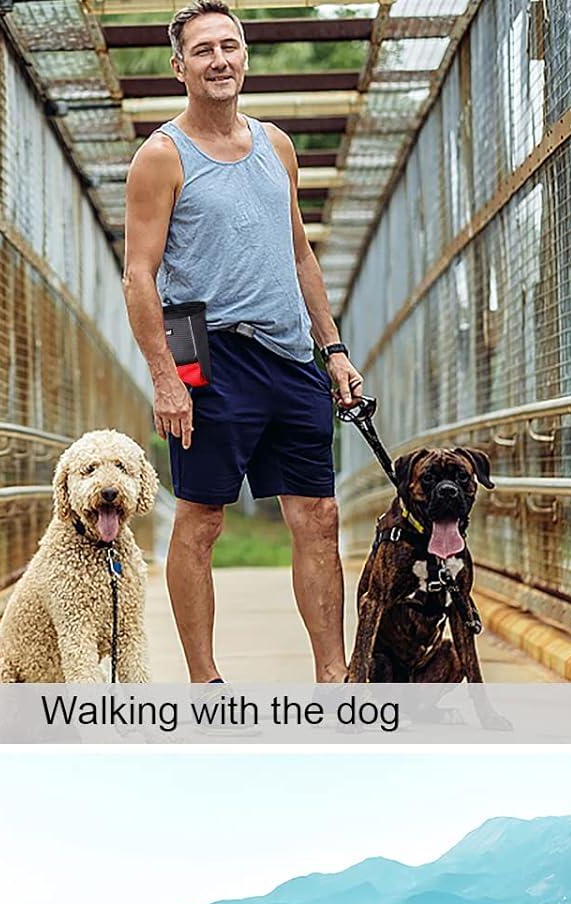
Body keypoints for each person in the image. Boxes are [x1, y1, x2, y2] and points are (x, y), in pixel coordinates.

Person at [123, 0, 367, 683]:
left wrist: (335, 349)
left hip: (289, 353)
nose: (220, 60)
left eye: (230, 46)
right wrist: (167, 376)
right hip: (204, 345)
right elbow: (138, 274)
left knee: (318, 515)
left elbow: (300, 256)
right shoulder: (161, 157)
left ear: (246, 57)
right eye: (203, 50)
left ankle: (333, 675)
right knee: (202, 519)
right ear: (179, 67)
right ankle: (205, 682)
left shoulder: (276, 146)